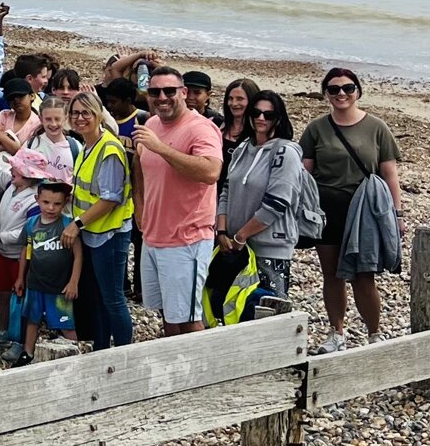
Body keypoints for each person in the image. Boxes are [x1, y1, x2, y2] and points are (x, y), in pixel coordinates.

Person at [300, 67, 404, 351]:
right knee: (331, 274)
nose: (341, 94)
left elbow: (389, 175)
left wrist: (396, 215)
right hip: (326, 210)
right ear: (326, 95)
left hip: (365, 211)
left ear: (358, 91)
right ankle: (337, 332)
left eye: (347, 88)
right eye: (333, 89)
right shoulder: (316, 128)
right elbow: (304, 174)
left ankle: (374, 334)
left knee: (363, 274)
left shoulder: (377, 127)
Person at [131, 66, 223, 336]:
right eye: (155, 92)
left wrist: (160, 147)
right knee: (167, 313)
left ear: (183, 93)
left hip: (187, 239)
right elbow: (139, 164)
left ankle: (199, 374)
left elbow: (210, 172)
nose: (162, 97)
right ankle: (174, 367)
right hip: (154, 235)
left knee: (190, 317)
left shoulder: (201, 129)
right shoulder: (151, 125)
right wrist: (140, 206)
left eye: (169, 91)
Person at [217, 89, 306, 300]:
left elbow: (276, 204)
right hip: (234, 247)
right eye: (256, 113)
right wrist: (222, 231)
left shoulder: (286, 153)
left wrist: (242, 235)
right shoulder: (241, 150)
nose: (261, 118)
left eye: (269, 115)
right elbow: (226, 191)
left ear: (279, 119)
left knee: (266, 310)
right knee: (232, 308)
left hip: (269, 249)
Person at [68, 90, 134, 349]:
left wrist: (77, 223)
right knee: (97, 296)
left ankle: (124, 353)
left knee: (113, 298)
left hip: (110, 233)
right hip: (94, 233)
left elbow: (110, 198)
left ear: (98, 115)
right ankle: (101, 348)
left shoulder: (108, 149)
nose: (80, 118)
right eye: (75, 113)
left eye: (86, 113)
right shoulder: (87, 145)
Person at [15, 179, 82, 364]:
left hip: (60, 287)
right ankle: (27, 353)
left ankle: (75, 354)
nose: (51, 207)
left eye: (57, 203)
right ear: (37, 199)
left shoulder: (68, 225)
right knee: (32, 320)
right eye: (46, 202)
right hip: (35, 283)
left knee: (66, 323)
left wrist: (73, 282)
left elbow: (78, 255)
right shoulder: (31, 224)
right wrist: (20, 277)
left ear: (65, 202)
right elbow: (25, 251)